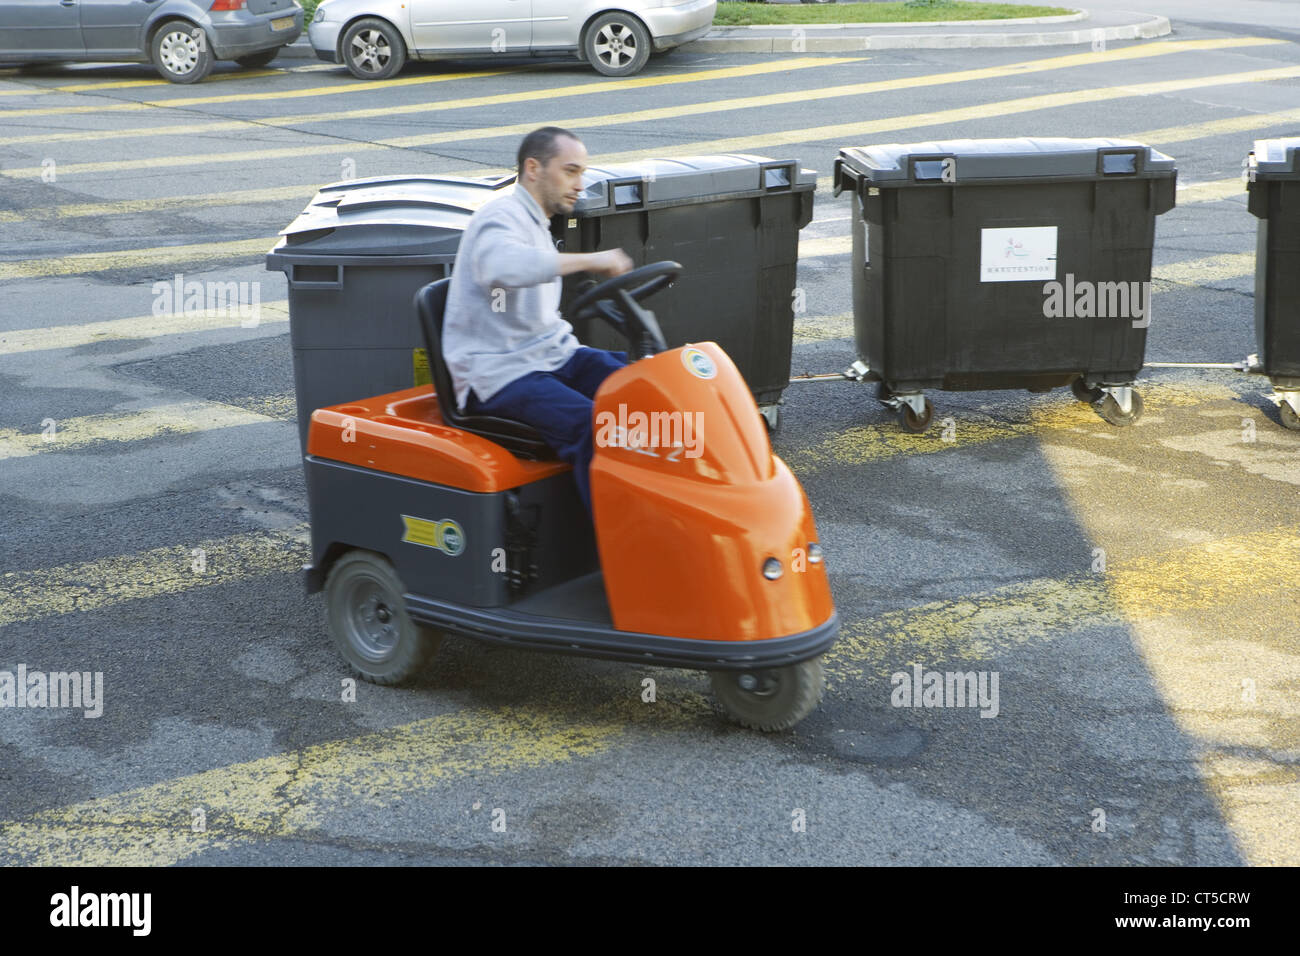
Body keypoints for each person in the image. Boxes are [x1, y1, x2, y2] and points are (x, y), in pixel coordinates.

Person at [442, 127, 633, 515]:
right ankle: (620, 542)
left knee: (649, 389)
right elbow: (502, 267)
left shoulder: (537, 224)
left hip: (551, 356)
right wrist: (592, 260)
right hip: (499, 373)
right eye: (570, 171)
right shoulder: (501, 215)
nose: (580, 185)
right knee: (593, 427)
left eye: (582, 173)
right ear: (533, 168)